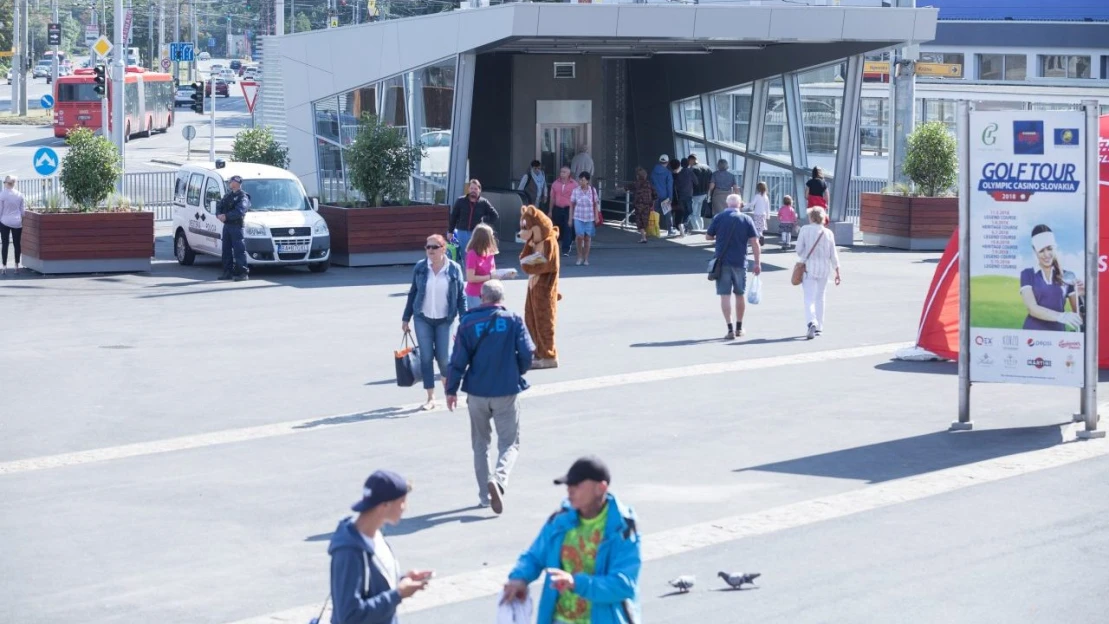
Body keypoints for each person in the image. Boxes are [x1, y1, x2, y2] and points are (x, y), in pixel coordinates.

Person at [502, 456, 641, 624]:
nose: (569, 490)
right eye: (568, 485)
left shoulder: (621, 528)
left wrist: (576, 583)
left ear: (600, 488)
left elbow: (623, 585)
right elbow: (534, 556)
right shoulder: (560, 520)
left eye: (577, 485)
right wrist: (519, 579)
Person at [447, 280, 535, 514]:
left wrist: (451, 390)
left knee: (480, 444)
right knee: (509, 442)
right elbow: (528, 352)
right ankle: (500, 479)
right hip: (506, 389)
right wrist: (518, 370)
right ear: (501, 299)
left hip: (477, 391)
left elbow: (457, 360)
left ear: (483, 297)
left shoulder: (467, 323)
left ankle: (485, 496)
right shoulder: (513, 320)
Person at [327, 470, 433, 624]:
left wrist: (404, 579)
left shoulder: (375, 536)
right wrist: (398, 594)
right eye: (402, 501)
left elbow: (373, 586)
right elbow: (349, 616)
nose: (405, 508)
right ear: (384, 505)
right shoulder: (348, 552)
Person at [402, 234, 468, 411]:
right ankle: (430, 397)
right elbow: (413, 293)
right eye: (427, 247)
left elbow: (461, 296)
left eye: (434, 247)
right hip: (422, 318)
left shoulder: (454, 269)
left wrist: (465, 319)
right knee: (426, 357)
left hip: (445, 320)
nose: (430, 250)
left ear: (443, 249)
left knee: (444, 358)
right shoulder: (421, 268)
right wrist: (406, 317)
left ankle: (449, 392)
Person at [705, 194, 761, 340]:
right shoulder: (746, 219)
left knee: (725, 296)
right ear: (740, 204)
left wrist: (719, 237)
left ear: (727, 204)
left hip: (722, 262)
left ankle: (729, 328)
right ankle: (739, 327)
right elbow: (755, 242)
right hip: (740, 262)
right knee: (739, 294)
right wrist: (757, 263)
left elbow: (708, 236)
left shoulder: (718, 217)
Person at [519, 205, 562, 369]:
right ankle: (538, 352)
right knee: (530, 320)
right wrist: (529, 246)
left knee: (544, 322)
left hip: (543, 290)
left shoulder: (549, 242)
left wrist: (526, 264)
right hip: (533, 288)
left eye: (526, 228)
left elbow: (543, 264)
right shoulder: (534, 241)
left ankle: (549, 356)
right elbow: (524, 259)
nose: (522, 233)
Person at [1020, 224, 1083, 332]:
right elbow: (1032, 309)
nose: (1047, 254)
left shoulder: (1068, 276)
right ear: (1034, 250)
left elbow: (1079, 316)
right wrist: (1061, 316)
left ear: (1055, 247)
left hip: (1058, 338)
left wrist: (1082, 295)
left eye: (1049, 249)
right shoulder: (1027, 274)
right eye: (1041, 250)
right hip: (1031, 336)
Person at [795, 207, 841, 340]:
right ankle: (820, 325)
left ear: (811, 217)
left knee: (808, 298)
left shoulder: (805, 229)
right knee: (820, 297)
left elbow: (798, 250)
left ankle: (812, 322)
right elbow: (833, 254)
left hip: (809, 268)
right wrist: (837, 271)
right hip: (824, 269)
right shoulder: (828, 233)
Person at [464, 223, 511, 311]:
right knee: (478, 320)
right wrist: (490, 277)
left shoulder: (490, 252)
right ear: (485, 238)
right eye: (491, 235)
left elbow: (493, 272)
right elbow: (470, 278)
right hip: (476, 295)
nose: (493, 238)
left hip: (490, 293)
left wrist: (503, 275)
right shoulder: (472, 254)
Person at [216, 174, 251, 281]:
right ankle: (227, 272)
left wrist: (226, 216)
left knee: (239, 250)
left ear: (236, 183)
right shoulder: (228, 196)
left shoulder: (243, 197)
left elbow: (240, 211)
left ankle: (242, 273)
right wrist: (219, 215)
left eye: (231, 181)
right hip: (227, 226)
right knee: (226, 250)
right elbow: (219, 206)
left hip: (236, 226)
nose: (229, 183)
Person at [449, 179, 499, 252]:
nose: (473, 190)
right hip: (462, 232)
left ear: (479, 190)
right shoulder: (460, 201)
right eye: (471, 188)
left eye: (475, 189)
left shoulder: (483, 202)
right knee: (464, 254)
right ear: (468, 189)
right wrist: (450, 231)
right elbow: (453, 217)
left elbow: (495, 215)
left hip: (477, 233)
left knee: (476, 253)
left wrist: (484, 222)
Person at [570, 172, 600, 266]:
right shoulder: (575, 191)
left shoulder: (592, 190)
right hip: (578, 216)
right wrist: (570, 218)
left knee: (587, 238)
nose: (581, 182)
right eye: (580, 180)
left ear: (587, 181)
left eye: (583, 180)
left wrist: (596, 216)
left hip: (589, 217)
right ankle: (579, 256)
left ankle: (586, 258)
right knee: (579, 236)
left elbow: (596, 204)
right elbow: (572, 205)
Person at [0, 175, 26, 275]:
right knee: (16, 244)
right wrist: (21, 220)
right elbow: (23, 212)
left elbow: (0, 210)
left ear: (7, 183)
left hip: (4, 221)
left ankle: (4, 266)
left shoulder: (2, 194)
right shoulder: (20, 195)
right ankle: (16, 266)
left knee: (5, 244)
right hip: (17, 222)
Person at [549, 166, 576, 256]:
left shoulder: (574, 184)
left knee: (568, 228)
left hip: (569, 208)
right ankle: (554, 247)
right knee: (557, 227)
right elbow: (552, 198)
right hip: (557, 208)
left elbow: (576, 199)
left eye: (564, 172)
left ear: (569, 174)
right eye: (561, 172)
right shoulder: (555, 184)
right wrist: (550, 211)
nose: (562, 174)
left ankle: (565, 249)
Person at [631, 167, 657, 244]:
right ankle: (644, 235)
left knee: (639, 222)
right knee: (645, 221)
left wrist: (618, 190)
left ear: (638, 176)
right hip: (647, 206)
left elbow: (627, 187)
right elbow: (655, 195)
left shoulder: (636, 184)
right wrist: (652, 203)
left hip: (638, 206)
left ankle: (643, 237)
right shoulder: (649, 184)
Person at [688, 154, 713, 233]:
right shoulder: (707, 167)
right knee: (699, 214)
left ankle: (697, 230)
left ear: (691, 160)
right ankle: (701, 230)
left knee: (693, 214)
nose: (689, 163)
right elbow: (711, 181)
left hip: (695, 194)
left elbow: (690, 183)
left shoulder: (692, 169)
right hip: (704, 194)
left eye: (689, 161)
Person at [650, 155, 673, 234]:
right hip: (665, 196)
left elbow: (651, 184)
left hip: (655, 195)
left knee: (655, 212)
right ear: (667, 162)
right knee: (667, 213)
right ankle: (670, 230)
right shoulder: (668, 173)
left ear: (659, 161)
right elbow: (669, 186)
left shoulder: (653, 171)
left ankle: (655, 230)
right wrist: (670, 197)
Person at [674, 158, 695, 237]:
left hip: (681, 195)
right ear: (688, 164)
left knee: (683, 211)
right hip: (688, 195)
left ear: (681, 165)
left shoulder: (679, 173)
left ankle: (682, 226)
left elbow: (676, 185)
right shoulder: (690, 172)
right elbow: (696, 182)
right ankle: (684, 225)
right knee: (689, 211)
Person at [749, 181, 771, 246]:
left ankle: (759, 237)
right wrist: (768, 216)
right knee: (761, 228)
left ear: (757, 188)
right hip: (763, 214)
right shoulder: (766, 197)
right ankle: (761, 236)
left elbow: (752, 204)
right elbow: (767, 207)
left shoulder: (757, 196)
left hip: (757, 214)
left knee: (756, 228)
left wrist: (745, 205)